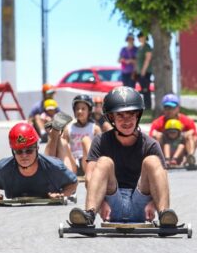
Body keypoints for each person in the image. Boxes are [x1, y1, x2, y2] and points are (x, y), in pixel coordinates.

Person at [68, 86, 179, 227]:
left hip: (141, 204)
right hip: (111, 202)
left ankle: (165, 216)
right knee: (104, 161)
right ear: (111, 117)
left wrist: (153, 203)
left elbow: (162, 178)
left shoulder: (150, 144)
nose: (126, 120)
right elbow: (89, 177)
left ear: (138, 115)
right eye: (120, 115)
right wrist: (101, 202)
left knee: (152, 161)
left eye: (131, 114)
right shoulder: (100, 141)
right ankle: (89, 215)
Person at [0, 122, 77, 202]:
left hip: (51, 166)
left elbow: (73, 182)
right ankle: (55, 135)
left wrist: (62, 195)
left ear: (37, 149)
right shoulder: (3, 168)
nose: (24, 156)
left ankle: (57, 136)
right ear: (13, 152)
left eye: (29, 151)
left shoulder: (55, 167)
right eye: (19, 151)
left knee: (55, 158)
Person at [45, 95, 101, 176]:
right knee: (62, 141)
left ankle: (92, 173)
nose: (80, 111)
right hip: (73, 162)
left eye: (83, 108)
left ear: (89, 111)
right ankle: (66, 174)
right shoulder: (69, 128)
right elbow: (63, 148)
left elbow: (100, 150)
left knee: (86, 140)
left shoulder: (95, 128)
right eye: (77, 108)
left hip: (88, 163)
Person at [149, 93, 197, 165]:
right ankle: (159, 158)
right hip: (165, 148)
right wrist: (158, 135)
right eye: (166, 107)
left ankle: (190, 157)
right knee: (156, 137)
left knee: (191, 137)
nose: (169, 110)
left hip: (181, 148)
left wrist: (186, 134)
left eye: (172, 108)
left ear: (178, 108)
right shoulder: (157, 123)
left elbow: (195, 137)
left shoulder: (187, 121)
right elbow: (150, 139)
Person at [136, 32, 153, 110]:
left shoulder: (147, 46)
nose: (140, 38)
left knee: (146, 89)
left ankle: (148, 107)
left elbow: (148, 58)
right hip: (139, 72)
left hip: (145, 72)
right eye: (139, 37)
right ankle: (144, 105)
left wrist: (143, 70)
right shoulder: (139, 47)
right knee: (143, 89)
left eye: (142, 36)